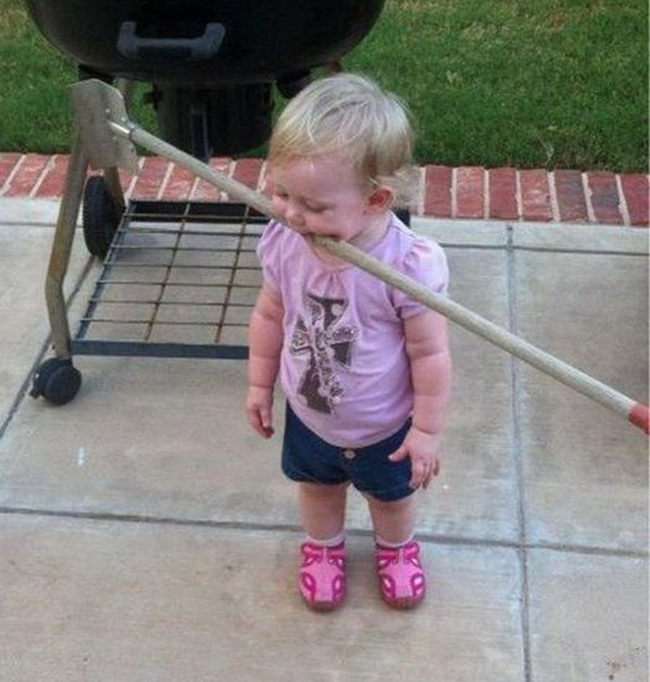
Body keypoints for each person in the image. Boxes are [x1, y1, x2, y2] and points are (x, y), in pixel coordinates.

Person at [245, 73, 451, 611]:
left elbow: (429, 353)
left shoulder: (406, 267)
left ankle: (397, 550)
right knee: (317, 490)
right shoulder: (286, 242)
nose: (293, 214)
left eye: (315, 206)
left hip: (386, 425)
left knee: (392, 499)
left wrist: (426, 430)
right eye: (282, 193)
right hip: (311, 415)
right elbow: (270, 313)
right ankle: (323, 548)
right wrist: (259, 384)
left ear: (376, 200)